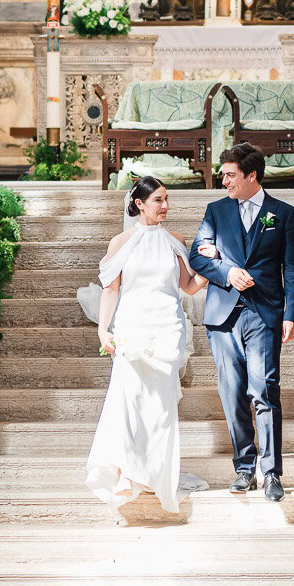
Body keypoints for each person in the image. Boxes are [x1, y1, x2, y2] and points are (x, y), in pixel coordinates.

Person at [86, 176, 205, 518]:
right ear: (139, 204)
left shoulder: (175, 241)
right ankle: (126, 473)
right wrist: (103, 330)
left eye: (167, 199)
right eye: (158, 200)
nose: (165, 206)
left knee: (162, 409)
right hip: (132, 329)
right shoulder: (120, 243)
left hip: (167, 330)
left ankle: (157, 474)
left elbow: (189, 286)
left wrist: (213, 266)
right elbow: (110, 290)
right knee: (129, 402)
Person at [192, 143, 294, 503]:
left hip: (263, 313)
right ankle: (244, 468)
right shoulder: (215, 211)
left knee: (265, 389)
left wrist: (292, 314)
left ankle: (271, 473)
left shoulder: (283, 214)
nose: (223, 180)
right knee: (232, 393)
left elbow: (293, 268)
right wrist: (227, 271)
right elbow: (197, 255)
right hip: (223, 317)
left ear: (251, 175)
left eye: (229, 174)